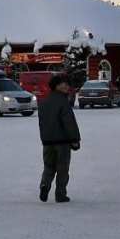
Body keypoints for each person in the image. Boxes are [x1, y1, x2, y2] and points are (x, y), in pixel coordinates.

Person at [38, 73, 81, 203]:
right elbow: (69, 122)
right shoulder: (63, 102)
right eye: (64, 84)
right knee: (62, 169)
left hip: (47, 141)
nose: (67, 86)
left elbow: (42, 123)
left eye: (68, 84)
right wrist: (75, 139)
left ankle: (45, 185)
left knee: (49, 166)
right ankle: (60, 194)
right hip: (62, 142)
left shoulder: (44, 102)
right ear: (56, 86)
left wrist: (44, 138)